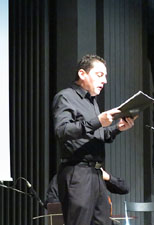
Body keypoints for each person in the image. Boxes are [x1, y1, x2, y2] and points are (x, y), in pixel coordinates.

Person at [52, 54, 135, 225]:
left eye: (105, 76)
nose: (104, 80)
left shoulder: (92, 102)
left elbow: (96, 135)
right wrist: (98, 121)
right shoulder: (65, 97)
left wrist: (117, 129)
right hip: (77, 173)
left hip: (96, 173)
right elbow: (62, 130)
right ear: (82, 74)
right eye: (99, 75)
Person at [45, 168, 129, 207]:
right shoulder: (62, 176)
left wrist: (108, 177)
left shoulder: (94, 175)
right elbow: (50, 200)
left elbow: (124, 188)